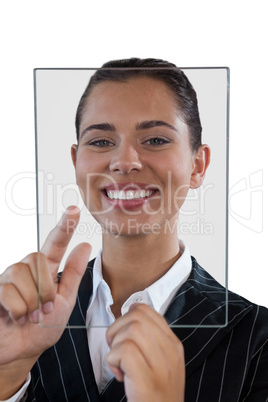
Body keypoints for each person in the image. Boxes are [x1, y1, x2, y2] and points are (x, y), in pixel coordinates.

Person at [0, 58, 267, 402]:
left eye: (155, 140)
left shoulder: (257, 338)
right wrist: (7, 377)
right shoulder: (26, 316)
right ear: (76, 161)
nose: (125, 162)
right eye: (100, 142)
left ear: (198, 165)